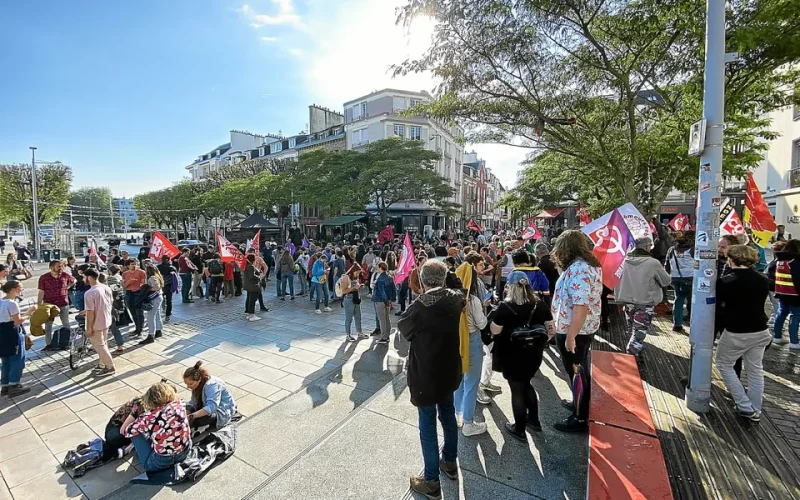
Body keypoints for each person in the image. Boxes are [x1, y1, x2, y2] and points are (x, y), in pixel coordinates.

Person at [397, 260, 463, 498]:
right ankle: (450, 462)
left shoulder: (419, 307)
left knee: (427, 424)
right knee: (448, 415)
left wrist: (421, 292)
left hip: (426, 375)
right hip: (448, 370)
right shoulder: (456, 299)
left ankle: (432, 481)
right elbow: (459, 285)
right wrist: (447, 274)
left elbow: (403, 327)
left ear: (423, 282)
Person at [489, 270, 554, 441]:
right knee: (527, 384)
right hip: (534, 353)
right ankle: (534, 420)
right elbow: (551, 328)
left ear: (510, 287)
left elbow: (495, 330)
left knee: (516, 389)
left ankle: (519, 429)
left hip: (512, 354)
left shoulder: (506, 307)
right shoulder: (538, 304)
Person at [550, 230, 603, 433]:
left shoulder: (579, 269)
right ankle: (579, 403)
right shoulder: (588, 265)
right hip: (582, 328)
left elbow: (580, 305)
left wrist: (571, 336)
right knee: (579, 370)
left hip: (575, 330)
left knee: (576, 372)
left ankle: (579, 418)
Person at [716, 245, 772, 421]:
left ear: (732, 259)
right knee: (755, 370)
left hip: (737, 331)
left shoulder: (726, 281)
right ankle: (756, 408)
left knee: (724, 364)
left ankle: (744, 405)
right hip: (761, 330)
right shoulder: (763, 278)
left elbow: (719, 307)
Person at [614, 237, 672, 355]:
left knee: (632, 329)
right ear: (646, 247)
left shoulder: (623, 260)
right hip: (645, 302)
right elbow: (666, 281)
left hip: (627, 300)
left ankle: (636, 352)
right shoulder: (653, 263)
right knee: (639, 331)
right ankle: (632, 355)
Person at [453, 257, 489, 436]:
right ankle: (468, 423)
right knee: (471, 383)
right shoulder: (472, 300)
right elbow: (482, 324)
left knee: (458, 382)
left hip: (455, 342)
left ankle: (457, 415)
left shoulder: (451, 298)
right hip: (472, 340)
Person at [121, 381, 191, 473]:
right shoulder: (179, 404)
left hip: (162, 461)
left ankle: (139, 450)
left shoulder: (148, 417)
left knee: (136, 433)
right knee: (163, 429)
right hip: (184, 451)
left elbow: (126, 431)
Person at [1, 280, 36, 396]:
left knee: (6, 359)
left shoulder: (2, 302)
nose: (22, 290)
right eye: (20, 288)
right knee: (17, 358)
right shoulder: (12, 304)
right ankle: (14, 384)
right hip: (11, 331)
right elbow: (18, 321)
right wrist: (29, 311)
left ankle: (5, 385)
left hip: (2, 331)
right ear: (13, 290)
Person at [82, 268, 116, 377]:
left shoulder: (89, 293)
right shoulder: (106, 287)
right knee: (104, 344)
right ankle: (102, 364)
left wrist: (89, 328)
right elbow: (107, 303)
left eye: (84, 277)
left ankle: (109, 366)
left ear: (89, 278)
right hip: (106, 319)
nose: (83, 279)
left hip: (96, 323)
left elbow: (91, 312)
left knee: (99, 346)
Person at [184, 361, 238, 429]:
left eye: (190, 384)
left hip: (221, 410)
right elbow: (193, 402)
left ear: (199, 379)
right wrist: (186, 412)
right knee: (184, 409)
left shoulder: (212, 385)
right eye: (186, 384)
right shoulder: (197, 385)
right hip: (206, 405)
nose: (188, 386)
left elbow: (212, 407)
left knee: (198, 420)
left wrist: (192, 416)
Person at [38, 260, 76, 351]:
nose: (61, 268)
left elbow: (74, 280)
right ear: (51, 267)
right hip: (49, 305)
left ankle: (67, 342)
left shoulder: (64, 275)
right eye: (58, 266)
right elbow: (41, 291)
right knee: (48, 325)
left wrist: (68, 287)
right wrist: (39, 305)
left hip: (63, 303)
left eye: (61, 266)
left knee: (66, 323)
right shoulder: (44, 278)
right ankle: (49, 344)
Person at [771, 238, 800, 350]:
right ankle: (794, 341)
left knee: (781, 314)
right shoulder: (795, 262)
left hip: (782, 292)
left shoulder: (780, 260)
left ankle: (777, 336)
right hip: (795, 294)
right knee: (795, 317)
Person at [665, 233, 695, 333]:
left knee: (678, 300)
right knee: (692, 301)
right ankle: (693, 324)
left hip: (675, 278)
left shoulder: (672, 249)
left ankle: (677, 324)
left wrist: (668, 277)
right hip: (690, 278)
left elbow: (667, 265)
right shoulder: (693, 249)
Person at [340, 262, 366, 342]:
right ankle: (348, 335)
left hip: (356, 297)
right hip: (349, 298)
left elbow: (356, 286)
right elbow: (343, 291)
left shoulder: (356, 277)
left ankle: (359, 332)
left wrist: (359, 287)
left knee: (358, 316)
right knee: (349, 318)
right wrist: (354, 288)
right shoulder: (346, 277)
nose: (358, 273)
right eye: (357, 272)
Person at [138, 264, 164, 346]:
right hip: (158, 297)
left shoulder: (152, 278)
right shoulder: (158, 276)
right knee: (157, 314)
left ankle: (151, 335)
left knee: (150, 316)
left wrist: (146, 288)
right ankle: (159, 330)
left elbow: (156, 287)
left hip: (154, 298)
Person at [372, 261, 396, 345]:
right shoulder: (390, 277)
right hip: (387, 300)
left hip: (380, 301)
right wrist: (392, 300)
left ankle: (383, 337)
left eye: (378, 267)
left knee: (382, 319)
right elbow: (394, 289)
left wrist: (386, 301)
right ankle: (387, 335)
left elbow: (382, 292)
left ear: (381, 268)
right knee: (386, 318)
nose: (377, 269)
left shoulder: (381, 279)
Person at [122, 259, 147, 336]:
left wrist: (140, 284)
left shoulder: (141, 272)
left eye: (135, 264)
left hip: (138, 293)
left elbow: (143, 284)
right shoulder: (125, 274)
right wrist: (129, 282)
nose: (134, 266)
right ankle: (137, 327)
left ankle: (140, 329)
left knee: (139, 312)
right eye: (132, 264)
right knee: (132, 311)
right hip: (129, 293)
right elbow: (124, 286)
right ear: (128, 265)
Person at [156, 255, 177, 323]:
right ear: (168, 260)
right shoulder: (171, 268)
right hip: (168, 287)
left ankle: (159, 314)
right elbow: (175, 275)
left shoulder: (158, 267)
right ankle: (167, 316)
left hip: (160, 286)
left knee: (159, 301)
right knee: (169, 301)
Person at [243, 254, 262, 322]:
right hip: (253, 285)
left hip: (248, 285)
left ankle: (248, 313)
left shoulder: (246, 266)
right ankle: (252, 314)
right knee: (252, 300)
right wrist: (258, 277)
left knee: (249, 299)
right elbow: (252, 276)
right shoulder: (250, 266)